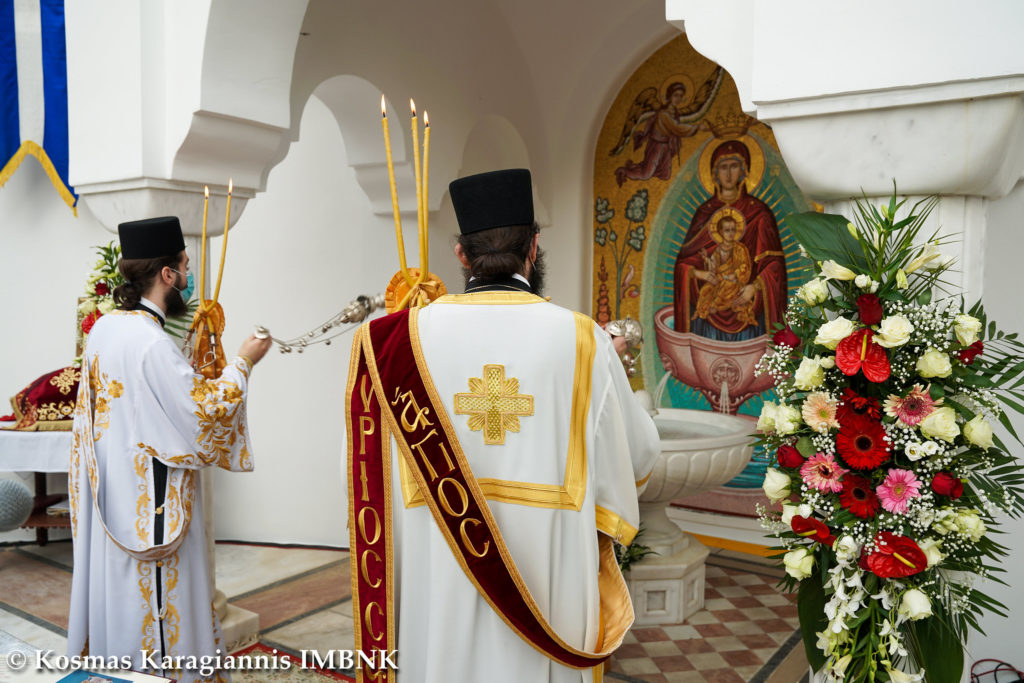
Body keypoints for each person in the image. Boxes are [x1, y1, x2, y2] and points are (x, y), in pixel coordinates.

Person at [346, 169, 659, 683]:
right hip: (547, 601)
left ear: (461, 255)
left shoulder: (387, 343)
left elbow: (356, 481)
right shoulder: (583, 341)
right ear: (533, 248)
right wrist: (606, 368)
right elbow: (640, 458)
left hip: (435, 597)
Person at [67, 216, 272, 682]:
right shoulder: (150, 342)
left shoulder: (104, 329)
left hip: (114, 496)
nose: (188, 274)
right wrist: (244, 360)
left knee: (122, 598)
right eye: (184, 265)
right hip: (155, 507)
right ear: (167, 275)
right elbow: (204, 414)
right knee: (156, 604)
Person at [672, 139, 787, 340]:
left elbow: (774, 265)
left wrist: (755, 287)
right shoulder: (705, 213)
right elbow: (684, 263)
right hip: (710, 316)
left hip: (746, 306)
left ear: (743, 170)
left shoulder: (758, 213)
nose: (728, 173)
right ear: (715, 173)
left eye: (734, 166)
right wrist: (700, 273)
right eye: (722, 167)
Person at [693, 208, 755, 327]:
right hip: (720, 279)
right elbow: (714, 268)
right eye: (727, 230)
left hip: (734, 281)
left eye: (733, 230)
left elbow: (745, 266)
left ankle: (715, 306)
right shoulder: (718, 249)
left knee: (727, 287)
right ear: (720, 232)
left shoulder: (740, 248)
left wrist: (735, 274)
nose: (730, 233)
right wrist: (707, 260)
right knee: (706, 290)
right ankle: (701, 310)